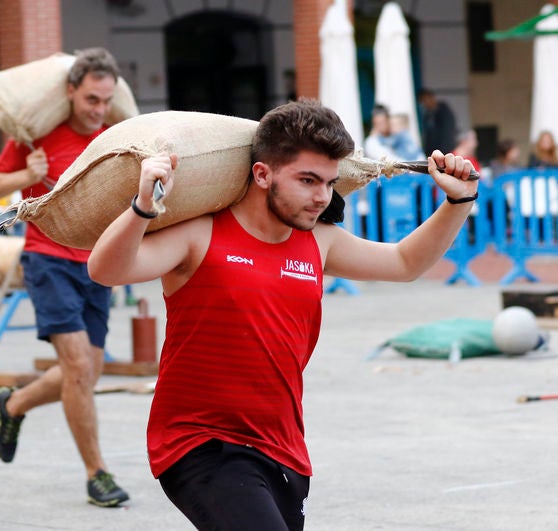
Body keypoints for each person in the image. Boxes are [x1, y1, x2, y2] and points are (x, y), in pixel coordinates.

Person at [87, 98, 477, 530]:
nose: (320, 197)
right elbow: (105, 270)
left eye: (328, 183)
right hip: (201, 443)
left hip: (283, 447)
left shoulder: (320, 242)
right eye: (307, 180)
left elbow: (406, 264)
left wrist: (458, 202)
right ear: (262, 173)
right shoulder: (201, 235)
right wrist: (143, 206)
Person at [0, 47, 129, 507]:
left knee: (85, 372)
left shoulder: (110, 139)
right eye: (90, 99)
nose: (97, 109)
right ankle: (96, 473)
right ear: (70, 92)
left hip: (96, 264)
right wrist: (27, 172)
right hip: (48, 259)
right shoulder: (37, 137)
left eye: (105, 100)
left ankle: (13, 404)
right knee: (79, 368)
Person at [418, 88, 457, 155]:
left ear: (432, 98)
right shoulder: (428, 114)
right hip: (432, 152)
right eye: (422, 102)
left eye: (425, 100)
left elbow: (447, 133)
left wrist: (444, 152)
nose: (424, 104)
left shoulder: (444, 111)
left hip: (444, 151)